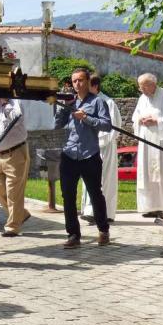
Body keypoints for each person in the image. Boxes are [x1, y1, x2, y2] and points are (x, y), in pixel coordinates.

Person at [54, 68, 112, 249]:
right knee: (68, 196)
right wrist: (65, 108)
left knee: (95, 193)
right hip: (69, 154)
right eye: (74, 81)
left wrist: (86, 118)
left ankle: (103, 230)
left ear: (88, 81)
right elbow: (57, 125)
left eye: (80, 80)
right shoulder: (67, 101)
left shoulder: (98, 102)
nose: (77, 84)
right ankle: (73, 235)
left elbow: (107, 125)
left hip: (90, 154)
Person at [0, 98, 31, 237]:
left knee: (13, 192)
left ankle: (12, 227)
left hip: (15, 152)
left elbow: (17, 119)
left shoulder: (14, 104)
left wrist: (5, 105)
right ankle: (21, 214)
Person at [131, 73, 163, 217]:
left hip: (160, 141)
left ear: (152, 84)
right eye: (140, 87)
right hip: (146, 141)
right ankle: (150, 206)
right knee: (146, 174)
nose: (141, 89)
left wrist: (156, 120)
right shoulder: (142, 98)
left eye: (143, 86)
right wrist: (140, 119)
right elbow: (135, 115)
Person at [80, 74, 122, 223]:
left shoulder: (108, 103)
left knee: (102, 180)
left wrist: (97, 142)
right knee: (88, 179)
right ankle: (89, 210)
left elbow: (111, 128)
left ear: (95, 86)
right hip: (89, 147)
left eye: (86, 85)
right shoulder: (86, 101)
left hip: (103, 148)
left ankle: (103, 213)